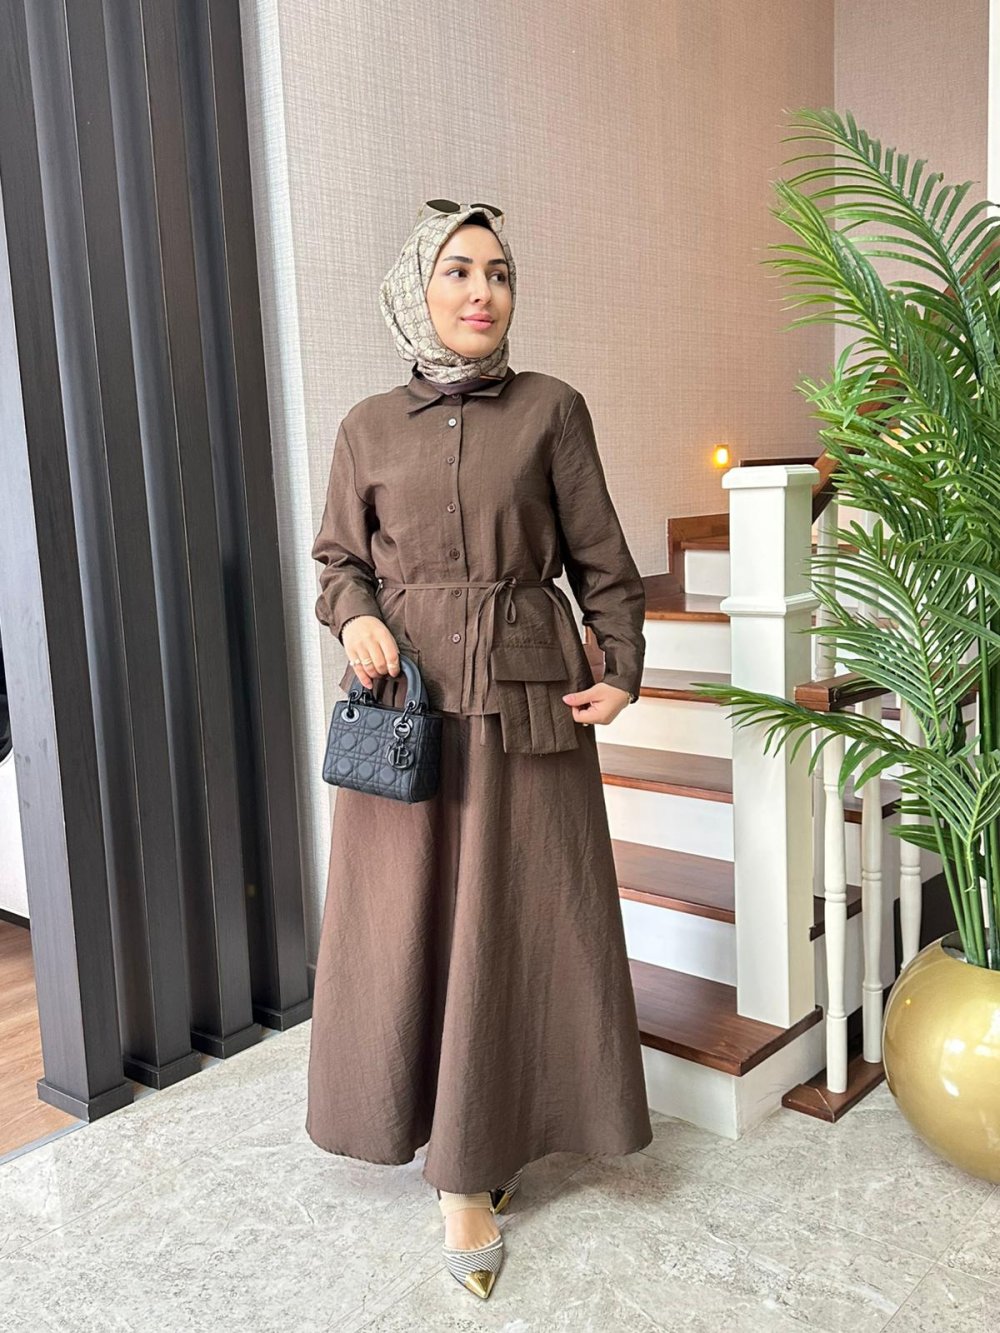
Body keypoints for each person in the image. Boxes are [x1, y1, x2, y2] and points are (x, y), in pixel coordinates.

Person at [305, 199, 651, 1300]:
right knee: (407, 924)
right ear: (418, 289)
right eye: (457, 270)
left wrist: (622, 664)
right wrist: (355, 616)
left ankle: (476, 1160)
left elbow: (602, 558)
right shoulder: (366, 425)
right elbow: (337, 560)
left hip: (523, 699)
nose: (481, 291)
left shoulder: (552, 409)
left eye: (498, 273)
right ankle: (437, 1141)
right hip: (405, 707)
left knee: (521, 923)